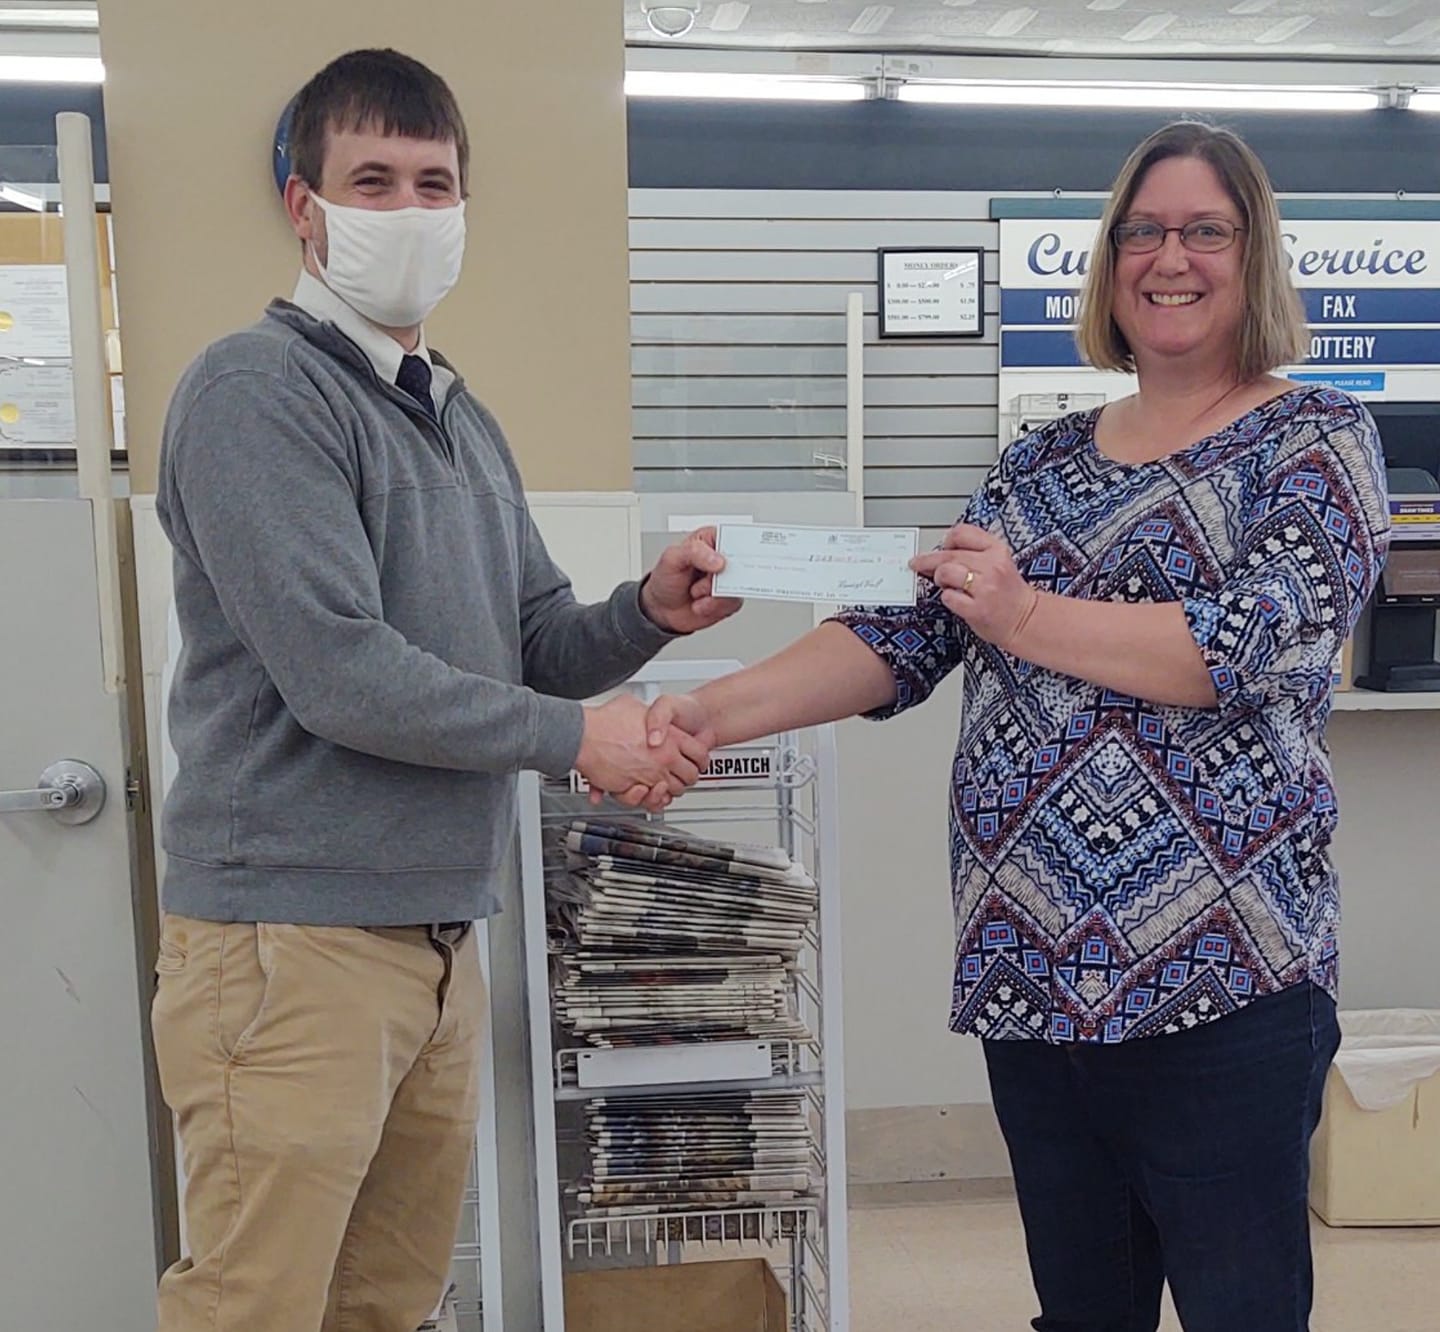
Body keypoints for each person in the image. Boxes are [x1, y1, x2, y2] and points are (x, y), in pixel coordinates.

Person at [643, 121, 1389, 1331]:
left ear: (1255, 257)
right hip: (1035, 984)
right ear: (1108, 263)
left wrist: (1030, 610)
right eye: (1141, 231)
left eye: (1207, 229)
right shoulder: (1035, 464)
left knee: (1240, 1308)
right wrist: (703, 711)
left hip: (1227, 989)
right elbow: (903, 633)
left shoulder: (1315, 439)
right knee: (1081, 1313)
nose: (1171, 256)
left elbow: (1258, 644)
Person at [151, 48, 738, 1332]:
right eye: (374, 181)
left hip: (429, 938)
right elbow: (341, 675)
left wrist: (644, 614)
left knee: (391, 1302)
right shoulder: (258, 391)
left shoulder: (457, 416)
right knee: (256, 1305)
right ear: (304, 206)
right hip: (290, 944)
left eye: (435, 183)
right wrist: (584, 740)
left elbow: (531, 638)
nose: (410, 212)